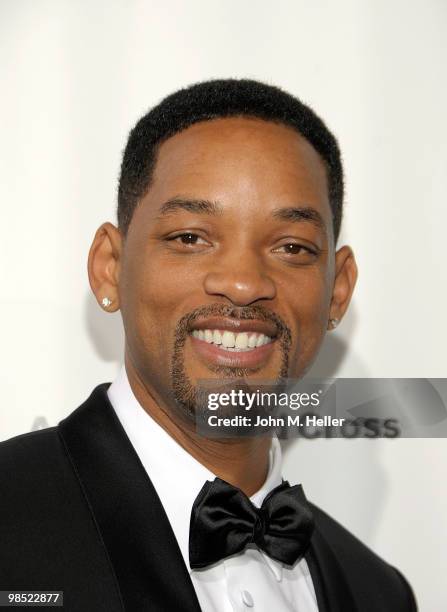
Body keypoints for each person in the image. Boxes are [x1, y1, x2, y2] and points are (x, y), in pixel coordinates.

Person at [0, 79, 417, 611]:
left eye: (292, 247)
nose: (243, 283)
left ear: (338, 291)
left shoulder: (379, 593)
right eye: (190, 238)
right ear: (110, 267)